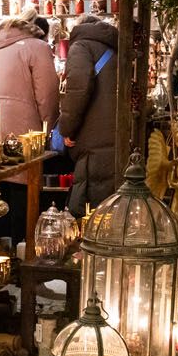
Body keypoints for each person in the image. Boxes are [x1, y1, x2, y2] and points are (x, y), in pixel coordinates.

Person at [0, 9, 59, 241]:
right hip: (26, 133)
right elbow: (48, 96)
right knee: (24, 196)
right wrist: (48, 128)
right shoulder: (38, 48)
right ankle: (23, 252)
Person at [58, 17, 119, 215]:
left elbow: (78, 89)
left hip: (91, 141)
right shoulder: (115, 48)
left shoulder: (81, 47)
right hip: (115, 136)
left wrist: (67, 130)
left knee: (90, 211)